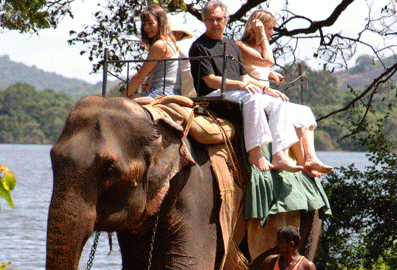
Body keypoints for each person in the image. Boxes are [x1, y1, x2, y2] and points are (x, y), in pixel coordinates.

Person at [188, 0, 304, 173]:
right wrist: (241, 85)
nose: (215, 23)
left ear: (225, 21)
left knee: (279, 102)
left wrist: (266, 89)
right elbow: (210, 80)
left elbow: (244, 77)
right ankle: (254, 152)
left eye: (219, 19)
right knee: (253, 98)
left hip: (236, 92)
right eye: (210, 20)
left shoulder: (231, 44)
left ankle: (278, 155)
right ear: (205, 21)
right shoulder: (199, 46)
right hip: (213, 94)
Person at [236, 10, 332, 177]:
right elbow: (266, 60)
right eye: (269, 28)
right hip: (256, 95)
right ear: (256, 27)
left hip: (264, 94)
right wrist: (262, 37)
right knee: (283, 106)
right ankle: (281, 156)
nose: (272, 32)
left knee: (305, 112)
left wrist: (269, 72)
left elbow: (262, 63)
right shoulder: (240, 46)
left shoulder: (258, 48)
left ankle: (309, 159)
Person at [122, 4, 181, 99]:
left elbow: (139, 77)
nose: (146, 28)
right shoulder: (170, 42)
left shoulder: (160, 45)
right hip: (173, 91)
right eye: (144, 24)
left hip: (162, 92)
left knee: (125, 103)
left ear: (160, 23)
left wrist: (122, 97)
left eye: (150, 23)